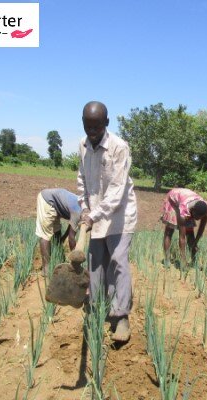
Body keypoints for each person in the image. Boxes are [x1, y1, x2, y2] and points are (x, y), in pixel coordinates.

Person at [77, 101, 137, 343]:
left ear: (106, 123)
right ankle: (96, 307)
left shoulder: (119, 148)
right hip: (94, 215)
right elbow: (81, 179)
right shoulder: (82, 146)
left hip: (119, 217)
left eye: (96, 127)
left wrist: (93, 215)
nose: (91, 132)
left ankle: (121, 316)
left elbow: (116, 191)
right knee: (95, 265)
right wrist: (83, 208)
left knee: (118, 263)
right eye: (87, 126)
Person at [160, 188, 207, 268]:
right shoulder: (184, 209)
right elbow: (182, 237)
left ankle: (195, 261)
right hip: (173, 200)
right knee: (169, 231)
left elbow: (201, 228)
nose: (197, 219)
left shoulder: (205, 209)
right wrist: (183, 259)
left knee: (190, 234)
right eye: (196, 217)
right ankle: (167, 260)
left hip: (185, 198)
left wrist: (195, 243)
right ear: (192, 210)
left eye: (200, 217)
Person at [35, 188, 82, 276]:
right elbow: (72, 238)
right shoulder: (79, 212)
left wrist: (63, 237)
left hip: (57, 204)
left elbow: (72, 225)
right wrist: (76, 261)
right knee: (46, 235)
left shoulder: (84, 209)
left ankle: (60, 260)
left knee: (57, 233)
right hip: (47, 200)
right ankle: (46, 269)